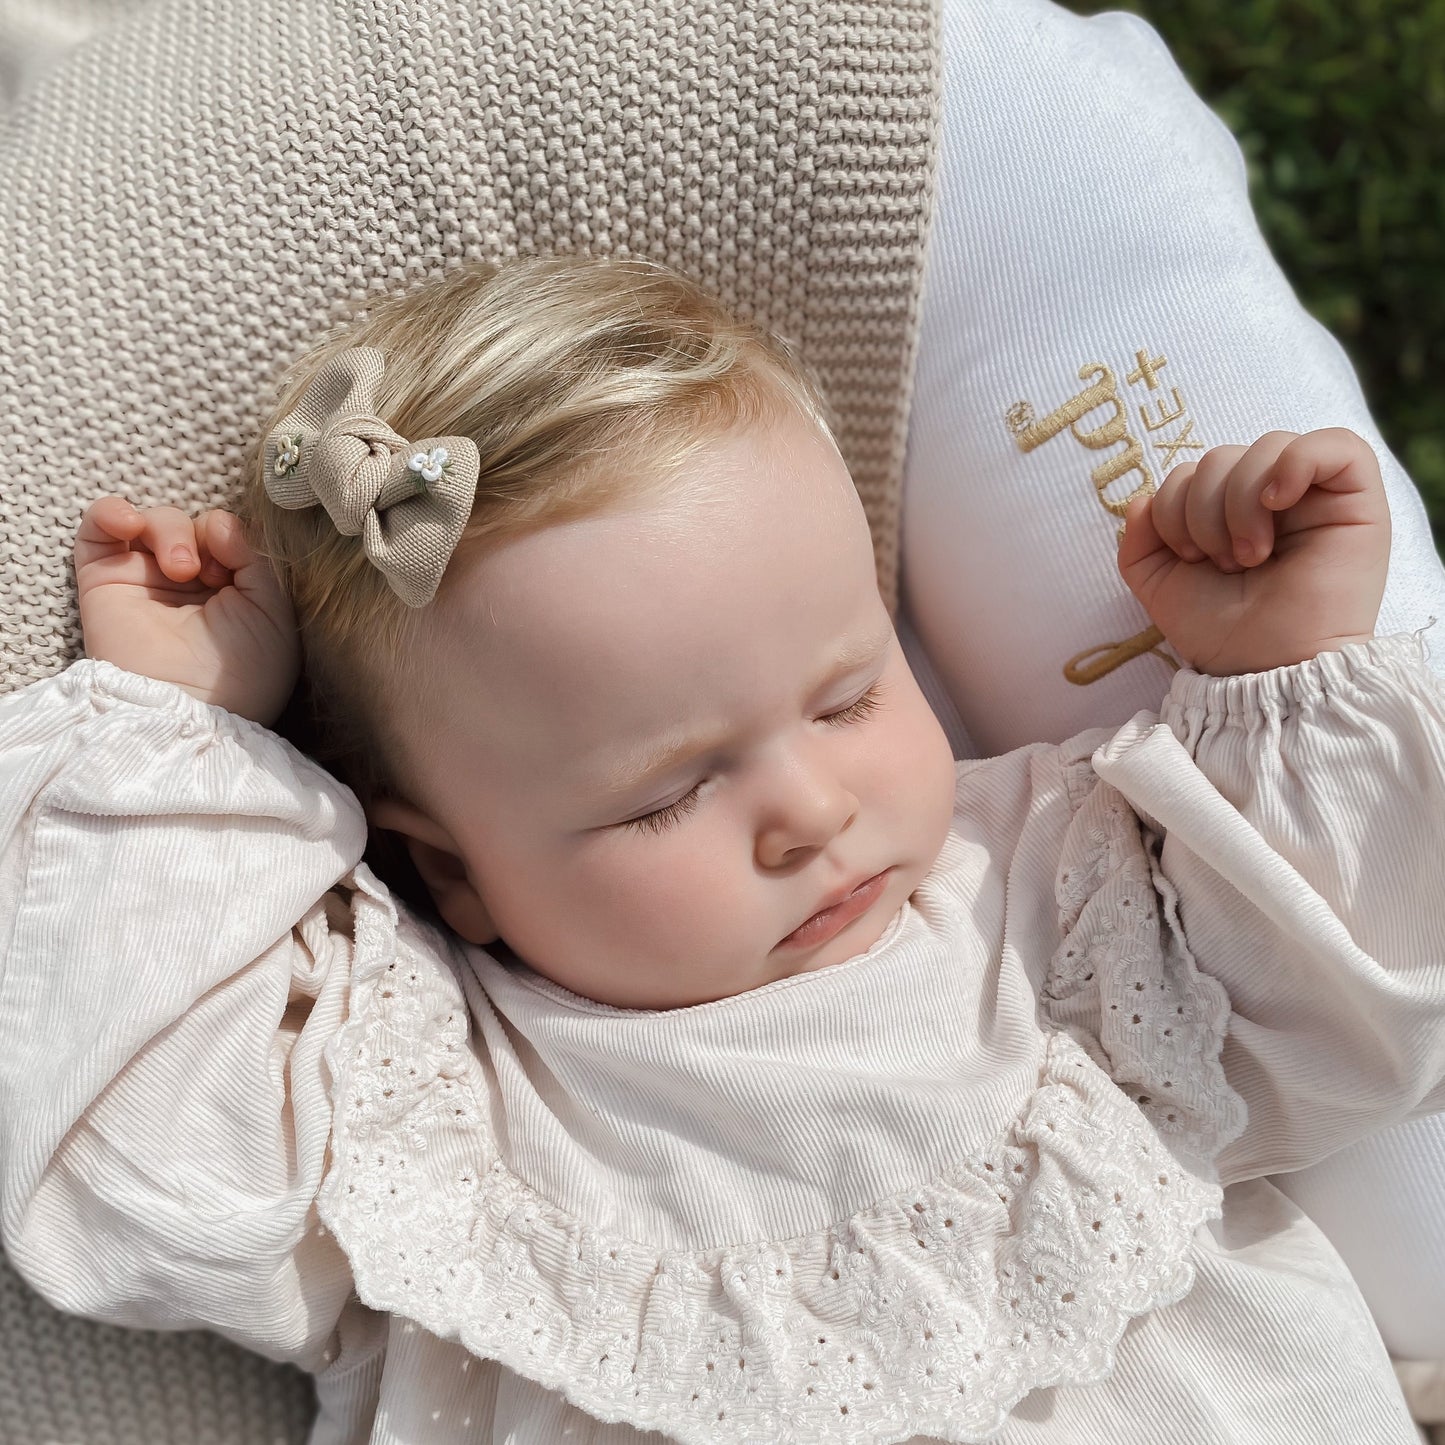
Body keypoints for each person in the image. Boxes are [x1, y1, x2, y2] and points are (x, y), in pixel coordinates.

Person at [1, 251, 1441, 1444]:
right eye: (662, 794)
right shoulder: (429, 1114)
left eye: (850, 693)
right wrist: (174, 742)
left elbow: (1353, 1003)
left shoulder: (1054, 897)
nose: (810, 808)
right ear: (453, 870)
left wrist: (1279, 675)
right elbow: (140, 1181)